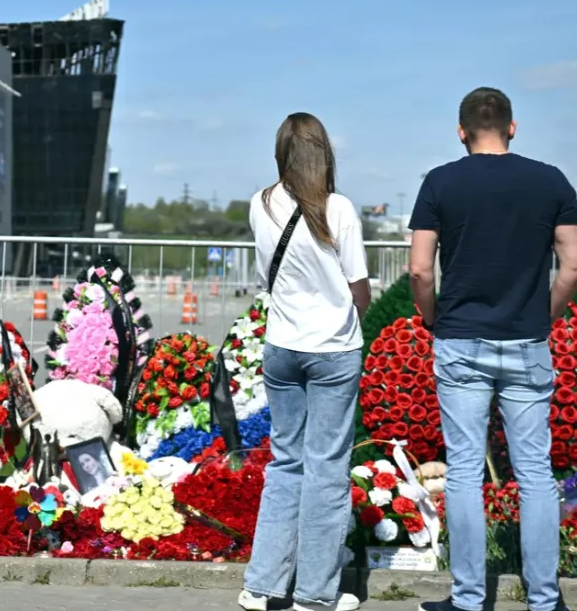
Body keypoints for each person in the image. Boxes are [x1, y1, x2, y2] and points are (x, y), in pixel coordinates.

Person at [408, 87, 577, 611]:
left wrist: (432, 317)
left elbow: (418, 268)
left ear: (461, 132)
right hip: (526, 342)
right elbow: (572, 265)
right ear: (512, 127)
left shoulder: (440, 182)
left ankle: (467, 599)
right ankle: (545, 601)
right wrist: (544, 316)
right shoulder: (550, 181)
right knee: (534, 473)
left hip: (460, 340)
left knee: (461, 472)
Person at [240, 112, 371, 611]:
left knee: (285, 463)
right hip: (332, 350)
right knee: (327, 470)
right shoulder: (338, 208)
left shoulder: (261, 203)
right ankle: (316, 594)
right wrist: (346, 312)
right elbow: (359, 287)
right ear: (325, 154)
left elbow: (266, 276)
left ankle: (261, 585)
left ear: (281, 154)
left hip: (281, 347)